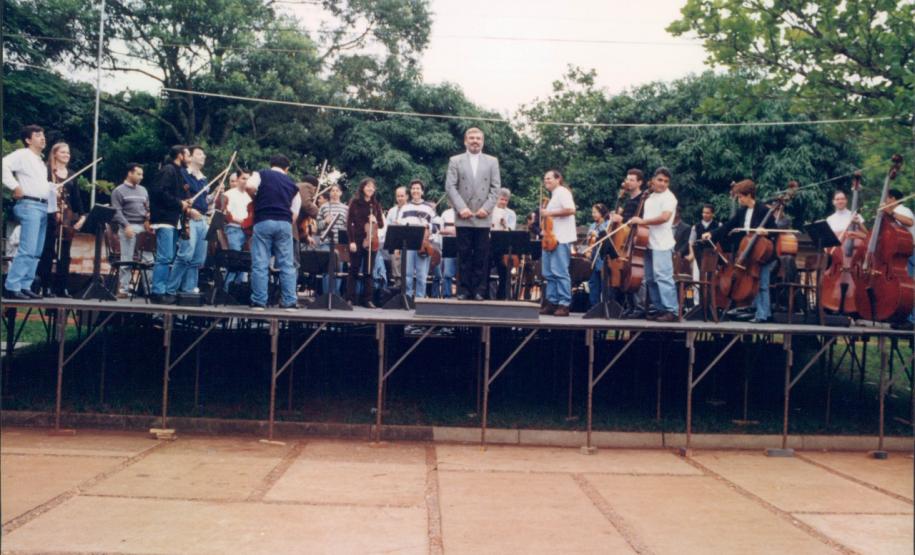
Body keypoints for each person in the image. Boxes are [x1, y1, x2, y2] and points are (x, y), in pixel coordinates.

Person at [445, 127, 501, 300]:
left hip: (483, 216)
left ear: (482, 141)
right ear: (465, 141)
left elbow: (496, 187)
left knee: (481, 256)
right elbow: (450, 186)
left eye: (478, 138)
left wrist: (487, 208)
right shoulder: (455, 160)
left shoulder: (492, 161)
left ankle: (479, 291)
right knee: (464, 255)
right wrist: (461, 208)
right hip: (463, 216)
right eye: (472, 138)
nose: (475, 141)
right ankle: (463, 290)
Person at [705, 179, 772, 323]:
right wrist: (712, 233)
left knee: (763, 284)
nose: (739, 199)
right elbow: (728, 226)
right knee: (754, 284)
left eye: (741, 196)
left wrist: (766, 232)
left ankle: (763, 315)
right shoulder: (742, 211)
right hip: (748, 253)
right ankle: (758, 311)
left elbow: (775, 232)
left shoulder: (764, 210)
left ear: (749, 195)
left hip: (763, 253)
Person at [246, 154, 302, 310]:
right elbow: (295, 212)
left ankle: (259, 301)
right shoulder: (292, 184)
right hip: (284, 223)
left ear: (271, 164)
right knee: (287, 264)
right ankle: (289, 301)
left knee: (260, 262)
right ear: (287, 168)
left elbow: (250, 186)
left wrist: (256, 199)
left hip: (264, 220)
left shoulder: (261, 174)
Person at [3, 125, 52, 300]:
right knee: (27, 248)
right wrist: (14, 186)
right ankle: (12, 286)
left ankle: (25, 285)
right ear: (28, 140)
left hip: (41, 206)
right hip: (29, 205)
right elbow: (3, 165)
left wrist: (51, 189)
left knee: (36, 250)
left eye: (43, 134)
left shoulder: (39, 160)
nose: (42, 137)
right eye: (38, 135)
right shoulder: (22, 154)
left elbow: (39, 185)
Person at [35, 142, 86, 297]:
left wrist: (82, 216)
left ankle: (62, 287)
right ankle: (46, 286)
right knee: (48, 251)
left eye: (68, 152)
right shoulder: (46, 171)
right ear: (55, 153)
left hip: (67, 217)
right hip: (50, 214)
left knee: (65, 253)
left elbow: (76, 198)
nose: (67, 155)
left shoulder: (72, 174)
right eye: (63, 152)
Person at [630, 167, 679, 322]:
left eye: (666, 181)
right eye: (660, 180)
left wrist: (642, 221)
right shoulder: (649, 197)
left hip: (662, 244)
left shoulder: (669, 198)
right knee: (650, 279)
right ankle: (659, 309)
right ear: (652, 180)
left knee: (663, 277)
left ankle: (672, 310)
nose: (663, 184)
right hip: (647, 242)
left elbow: (664, 218)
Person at [165, 145, 214, 296]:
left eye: (204, 154)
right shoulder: (182, 174)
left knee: (198, 259)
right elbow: (178, 196)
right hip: (188, 219)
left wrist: (214, 196)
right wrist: (188, 209)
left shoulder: (204, 179)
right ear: (190, 157)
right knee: (186, 255)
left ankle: (188, 290)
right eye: (200, 154)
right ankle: (171, 290)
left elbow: (205, 200)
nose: (204, 157)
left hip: (203, 220)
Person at [148, 145, 190, 304]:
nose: (189, 158)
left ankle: (162, 289)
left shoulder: (177, 172)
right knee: (164, 257)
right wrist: (180, 203)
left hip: (172, 220)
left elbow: (172, 194)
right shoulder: (168, 170)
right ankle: (157, 291)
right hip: (164, 219)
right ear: (180, 155)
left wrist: (184, 202)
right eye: (188, 155)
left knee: (168, 257)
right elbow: (159, 192)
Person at [539, 169, 576, 317]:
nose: (546, 181)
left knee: (560, 271)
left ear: (558, 179)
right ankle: (552, 301)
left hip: (561, 238)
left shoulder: (563, 192)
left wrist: (549, 213)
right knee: (548, 272)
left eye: (549, 178)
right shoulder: (553, 196)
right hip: (550, 238)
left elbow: (571, 210)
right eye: (545, 179)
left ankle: (564, 303)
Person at [111, 163, 151, 297]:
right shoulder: (118, 191)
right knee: (127, 258)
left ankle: (148, 289)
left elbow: (147, 209)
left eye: (142, 174)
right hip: (128, 225)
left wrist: (147, 219)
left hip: (143, 227)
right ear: (130, 173)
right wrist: (126, 226)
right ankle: (123, 288)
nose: (141, 177)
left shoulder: (143, 190)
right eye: (138, 174)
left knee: (149, 259)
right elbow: (117, 211)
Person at [345, 177, 385, 308]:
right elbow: (349, 223)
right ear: (362, 188)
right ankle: (350, 298)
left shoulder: (375, 205)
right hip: (356, 239)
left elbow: (381, 224)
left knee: (369, 271)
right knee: (354, 269)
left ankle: (367, 299)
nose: (370, 189)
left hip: (371, 240)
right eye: (368, 186)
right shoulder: (355, 202)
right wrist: (351, 241)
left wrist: (375, 219)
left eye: (372, 187)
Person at [883, 189, 915, 325]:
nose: (885, 202)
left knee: (909, 285)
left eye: (886, 199)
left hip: (910, 251)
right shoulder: (894, 212)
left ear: (893, 199)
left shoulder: (903, 210)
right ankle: (901, 317)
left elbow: (910, 222)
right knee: (902, 285)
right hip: (902, 253)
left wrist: (892, 213)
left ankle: (910, 319)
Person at [401, 180, 436, 299]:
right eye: (413, 188)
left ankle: (420, 299)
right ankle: (408, 297)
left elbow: (437, 227)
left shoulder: (429, 208)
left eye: (418, 188)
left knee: (421, 274)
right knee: (407, 274)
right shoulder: (405, 207)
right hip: (409, 244)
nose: (415, 191)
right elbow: (400, 224)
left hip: (423, 244)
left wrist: (428, 226)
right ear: (410, 191)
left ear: (422, 191)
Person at [222, 169, 252, 287]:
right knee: (234, 260)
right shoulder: (229, 194)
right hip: (233, 229)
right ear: (238, 179)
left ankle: (237, 289)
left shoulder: (249, 196)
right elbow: (225, 213)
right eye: (243, 178)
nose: (246, 181)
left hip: (247, 231)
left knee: (243, 262)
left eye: (248, 179)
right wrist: (236, 220)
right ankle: (227, 288)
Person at [316, 183, 348, 294]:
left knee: (337, 270)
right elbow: (317, 226)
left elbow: (348, 228)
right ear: (329, 193)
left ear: (340, 193)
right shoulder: (324, 207)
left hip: (339, 244)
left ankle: (335, 295)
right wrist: (325, 221)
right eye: (332, 191)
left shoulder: (345, 208)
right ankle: (326, 294)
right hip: (326, 242)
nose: (334, 193)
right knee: (326, 269)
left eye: (337, 191)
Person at [587, 203, 611, 308]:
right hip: (593, 257)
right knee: (593, 283)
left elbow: (607, 238)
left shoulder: (607, 224)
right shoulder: (592, 226)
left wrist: (597, 235)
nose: (593, 214)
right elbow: (590, 242)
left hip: (603, 257)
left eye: (595, 212)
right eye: (592, 212)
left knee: (604, 282)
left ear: (602, 213)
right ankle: (594, 305)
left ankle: (606, 305)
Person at [384, 186, 408, 287]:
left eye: (402, 196)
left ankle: (406, 281)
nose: (400, 198)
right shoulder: (392, 211)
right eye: (398, 196)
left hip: (408, 239)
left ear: (407, 196)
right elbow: (387, 227)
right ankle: (397, 280)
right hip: (395, 240)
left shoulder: (409, 209)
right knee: (394, 255)